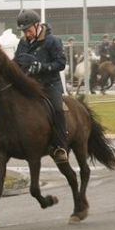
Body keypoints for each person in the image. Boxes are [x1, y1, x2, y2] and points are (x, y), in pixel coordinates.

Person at [13, 9, 69, 164]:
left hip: (50, 84)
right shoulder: (23, 43)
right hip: (30, 85)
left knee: (57, 109)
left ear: (37, 26)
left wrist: (43, 67)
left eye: (28, 30)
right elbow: (17, 61)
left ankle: (60, 146)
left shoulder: (53, 41)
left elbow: (61, 63)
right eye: (24, 31)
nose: (27, 34)